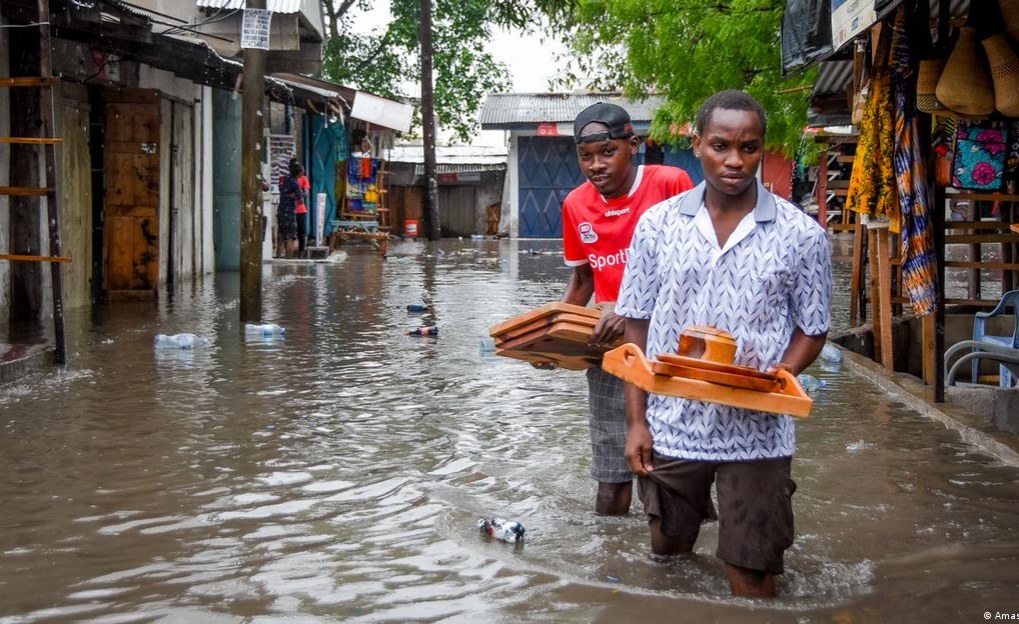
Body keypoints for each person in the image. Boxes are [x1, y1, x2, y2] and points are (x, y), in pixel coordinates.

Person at [615, 90, 832, 597]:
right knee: (667, 555)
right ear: (697, 144)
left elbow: (813, 327)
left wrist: (778, 379)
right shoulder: (658, 225)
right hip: (671, 424)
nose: (735, 161)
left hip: (757, 431)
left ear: (761, 149)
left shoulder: (801, 235)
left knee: (752, 575)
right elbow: (636, 327)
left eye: (749, 148)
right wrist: (636, 421)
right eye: (721, 146)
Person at [547, 102, 694, 516]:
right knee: (611, 475)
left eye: (607, 152)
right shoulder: (576, 205)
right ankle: (608, 563)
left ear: (634, 145)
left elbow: (700, 267)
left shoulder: (671, 183)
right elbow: (583, 281)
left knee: (668, 470)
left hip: (672, 348)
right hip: (612, 352)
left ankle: (667, 559)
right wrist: (550, 337)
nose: (596, 165)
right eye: (585, 156)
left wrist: (631, 308)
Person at [277, 162, 301, 258]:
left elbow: (282, 192)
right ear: (299, 173)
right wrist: (294, 197)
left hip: (281, 210)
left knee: (281, 234)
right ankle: (289, 259)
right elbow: (300, 199)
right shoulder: (295, 183)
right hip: (290, 212)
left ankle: (278, 255)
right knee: (291, 237)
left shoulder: (285, 180)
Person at [292, 162, 311, 256]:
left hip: (301, 209)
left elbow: (306, 193)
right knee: (289, 232)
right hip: (290, 209)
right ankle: (287, 254)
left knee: (301, 232)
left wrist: (296, 195)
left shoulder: (304, 179)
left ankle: (301, 253)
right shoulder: (289, 180)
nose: (302, 174)